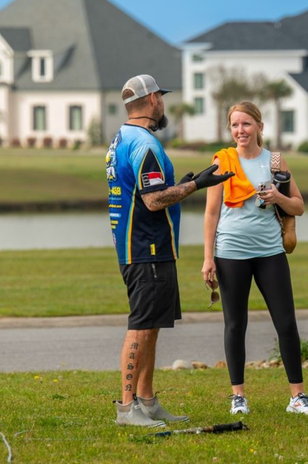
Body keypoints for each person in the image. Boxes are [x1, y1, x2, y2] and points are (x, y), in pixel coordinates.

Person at [106, 74, 234, 427]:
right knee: (141, 325)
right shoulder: (145, 145)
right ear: (151, 102)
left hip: (147, 246)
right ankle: (127, 407)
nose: (163, 103)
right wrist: (195, 185)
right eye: (160, 98)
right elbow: (151, 199)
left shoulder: (122, 138)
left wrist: (178, 185)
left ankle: (146, 401)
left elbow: (145, 191)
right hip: (144, 247)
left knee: (153, 324)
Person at [202, 101, 308, 416]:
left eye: (246, 124)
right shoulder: (222, 162)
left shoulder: (276, 161)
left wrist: (279, 197)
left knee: (286, 324)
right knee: (235, 325)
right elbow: (211, 214)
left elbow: (299, 206)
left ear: (259, 127)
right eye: (235, 125)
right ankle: (238, 396)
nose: (240, 131)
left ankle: (298, 397)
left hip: (270, 253)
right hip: (230, 254)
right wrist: (207, 258)